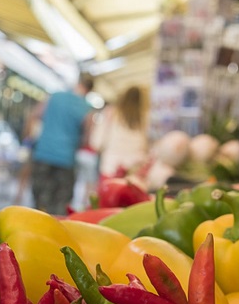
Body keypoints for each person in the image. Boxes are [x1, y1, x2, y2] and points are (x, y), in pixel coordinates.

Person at [28, 75, 95, 215]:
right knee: (59, 205)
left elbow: (35, 115)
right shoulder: (86, 109)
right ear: (89, 90)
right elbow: (87, 138)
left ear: (78, 82)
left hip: (43, 153)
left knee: (38, 201)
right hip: (66, 159)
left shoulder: (55, 96)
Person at [90, 85, 149, 178]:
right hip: (135, 170)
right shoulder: (146, 118)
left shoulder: (111, 113)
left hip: (110, 167)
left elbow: (96, 143)